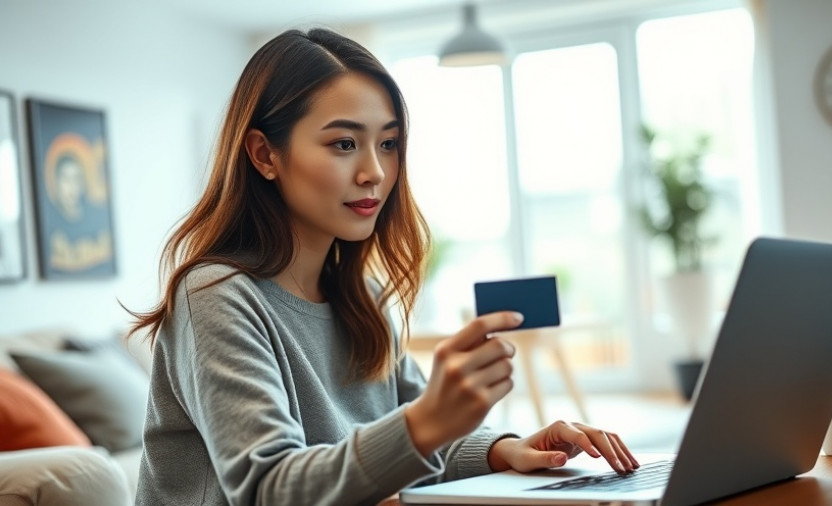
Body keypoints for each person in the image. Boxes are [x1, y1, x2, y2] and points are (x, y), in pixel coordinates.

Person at [128, 28, 639, 506]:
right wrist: (425, 423)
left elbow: (412, 447)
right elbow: (269, 488)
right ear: (265, 154)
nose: (375, 171)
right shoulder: (216, 295)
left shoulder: (362, 296)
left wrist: (506, 449)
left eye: (388, 143)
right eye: (344, 144)